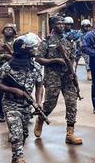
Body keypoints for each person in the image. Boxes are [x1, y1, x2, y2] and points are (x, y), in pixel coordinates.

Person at [0, 35, 44, 163]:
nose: (35, 50)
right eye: (33, 48)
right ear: (25, 50)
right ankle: (20, 162)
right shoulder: (8, 66)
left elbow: (40, 85)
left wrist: (39, 103)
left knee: (24, 134)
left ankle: (15, 158)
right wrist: (14, 90)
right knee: (15, 134)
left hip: (27, 106)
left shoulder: (36, 66)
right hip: (10, 104)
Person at [35, 16, 83, 144]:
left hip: (68, 77)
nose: (62, 26)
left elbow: (73, 57)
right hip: (53, 78)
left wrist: (72, 71)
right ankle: (40, 119)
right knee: (50, 103)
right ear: (52, 25)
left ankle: (70, 133)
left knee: (72, 103)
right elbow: (38, 58)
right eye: (59, 24)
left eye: (63, 23)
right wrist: (54, 61)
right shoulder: (47, 41)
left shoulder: (69, 41)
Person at [0, 23, 18, 122]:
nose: (8, 31)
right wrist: (3, 56)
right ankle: (1, 113)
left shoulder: (18, 43)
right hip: (1, 69)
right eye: (6, 29)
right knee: (1, 92)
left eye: (10, 29)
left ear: (14, 32)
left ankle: (20, 112)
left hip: (16, 70)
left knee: (18, 91)